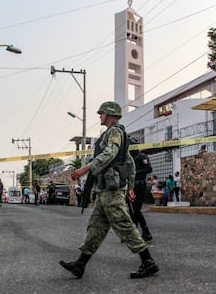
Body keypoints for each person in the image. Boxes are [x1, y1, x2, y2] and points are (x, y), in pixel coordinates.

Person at [59, 101, 158, 279]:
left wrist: (86, 168)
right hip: (106, 189)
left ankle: (148, 262)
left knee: (124, 224)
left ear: (110, 114)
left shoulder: (114, 132)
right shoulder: (117, 133)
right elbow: (129, 162)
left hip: (112, 190)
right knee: (96, 227)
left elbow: (110, 153)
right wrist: (130, 186)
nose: (100, 116)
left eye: (102, 113)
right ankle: (80, 264)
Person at [128, 138, 153, 241]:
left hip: (140, 185)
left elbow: (149, 169)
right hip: (130, 186)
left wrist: (135, 173)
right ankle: (134, 233)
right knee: (131, 210)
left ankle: (145, 232)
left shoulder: (142, 156)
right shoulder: (128, 158)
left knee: (136, 210)